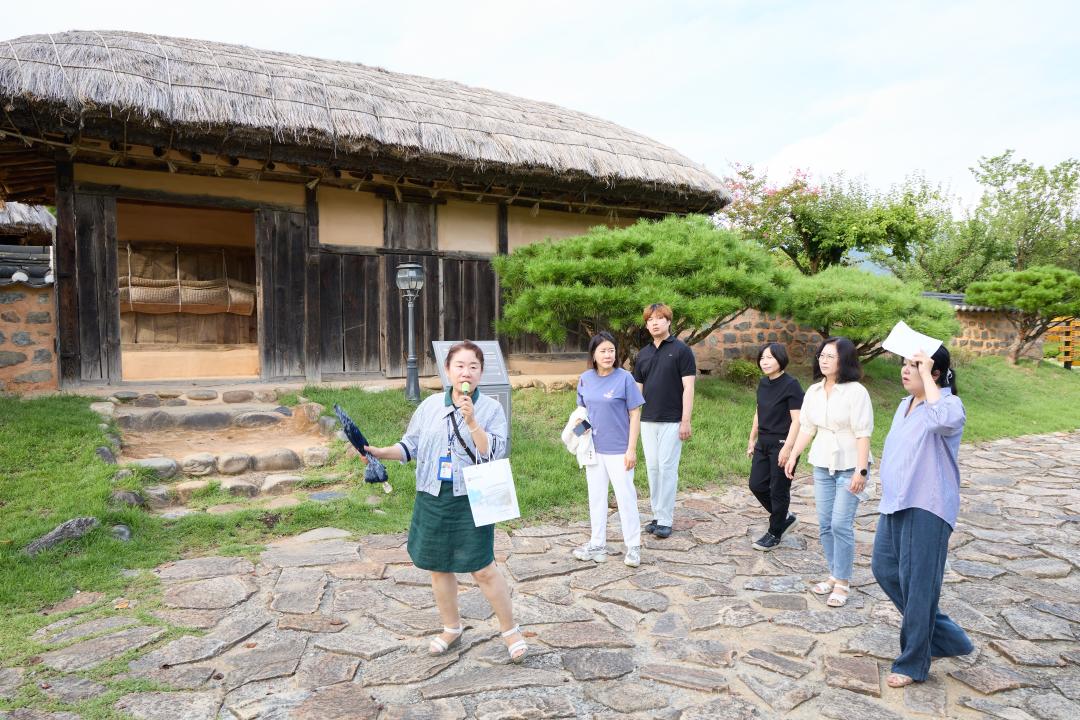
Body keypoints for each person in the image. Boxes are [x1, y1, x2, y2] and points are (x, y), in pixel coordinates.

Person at [362, 341, 527, 662]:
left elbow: (492, 452)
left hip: (472, 497)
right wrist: (381, 452)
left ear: (481, 372)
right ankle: (451, 628)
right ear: (448, 371)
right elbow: (410, 446)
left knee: (483, 568)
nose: (466, 372)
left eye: (473, 367)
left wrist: (473, 422)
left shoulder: (491, 408)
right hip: (432, 494)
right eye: (460, 366)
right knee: (438, 567)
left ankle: (511, 631)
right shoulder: (429, 407)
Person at [872, 346, 973, 688]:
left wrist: (931, 374)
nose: (904, 370)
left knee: (918, 586)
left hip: (927, 505)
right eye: (903, 363)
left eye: (913, 366)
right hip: (896, 501)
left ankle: (914, 662)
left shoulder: (947, 404)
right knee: (884, 568)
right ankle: (945, 637)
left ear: (932, 372)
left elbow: (944, 420)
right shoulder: (905, 405)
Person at [783, 336, 872, 608]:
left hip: (850, 465)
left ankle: (843, 582)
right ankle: (834, 574)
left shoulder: (856, 392)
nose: (824, 360)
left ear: (844, 360)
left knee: (840, 525)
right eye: (822, 355)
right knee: (824, 525)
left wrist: (861, 470)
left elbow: (863, 433)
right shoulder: (813, 391)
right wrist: (793, 454)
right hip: (822, 463)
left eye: (830, 356)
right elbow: (807, 427)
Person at [569, 332, 646, 567]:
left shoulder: (624, 379)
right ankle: (597, 543)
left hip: (619, 450)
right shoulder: (585, 379)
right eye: (602, 351)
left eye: (611, 350)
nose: (608, 355)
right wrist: (575, 432)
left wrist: (631, 449)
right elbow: (583, 412)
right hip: (594, 449)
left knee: (626, 498)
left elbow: (635, 414)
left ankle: (633, 547)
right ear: (593, 354)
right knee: (596, 498)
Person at [633, 303, 696, 539]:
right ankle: (657, 515)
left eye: (660, 318)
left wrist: (685, 420)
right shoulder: (643, 354)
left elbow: (688, 387)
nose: (654, 323)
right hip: (647, 420)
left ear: (669, 321)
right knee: (653, 468)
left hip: (672, 420)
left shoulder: (681, 350)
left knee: (667, 468)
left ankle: (666, 519)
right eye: (650, 319)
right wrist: (632, 419)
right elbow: (637, 390)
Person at [746, 343, 804, 551]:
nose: (765, 362)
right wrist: (752, 439)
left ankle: (774, 532)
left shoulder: (792, 385)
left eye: (770, 357)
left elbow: (797, 421)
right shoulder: (763, 383)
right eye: (762, 358)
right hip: (764, 441)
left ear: (780, 359)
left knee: (779, 490)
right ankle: (784, 518)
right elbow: (758, 411)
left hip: (783, 443)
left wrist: (788, 449)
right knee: (757, 485)